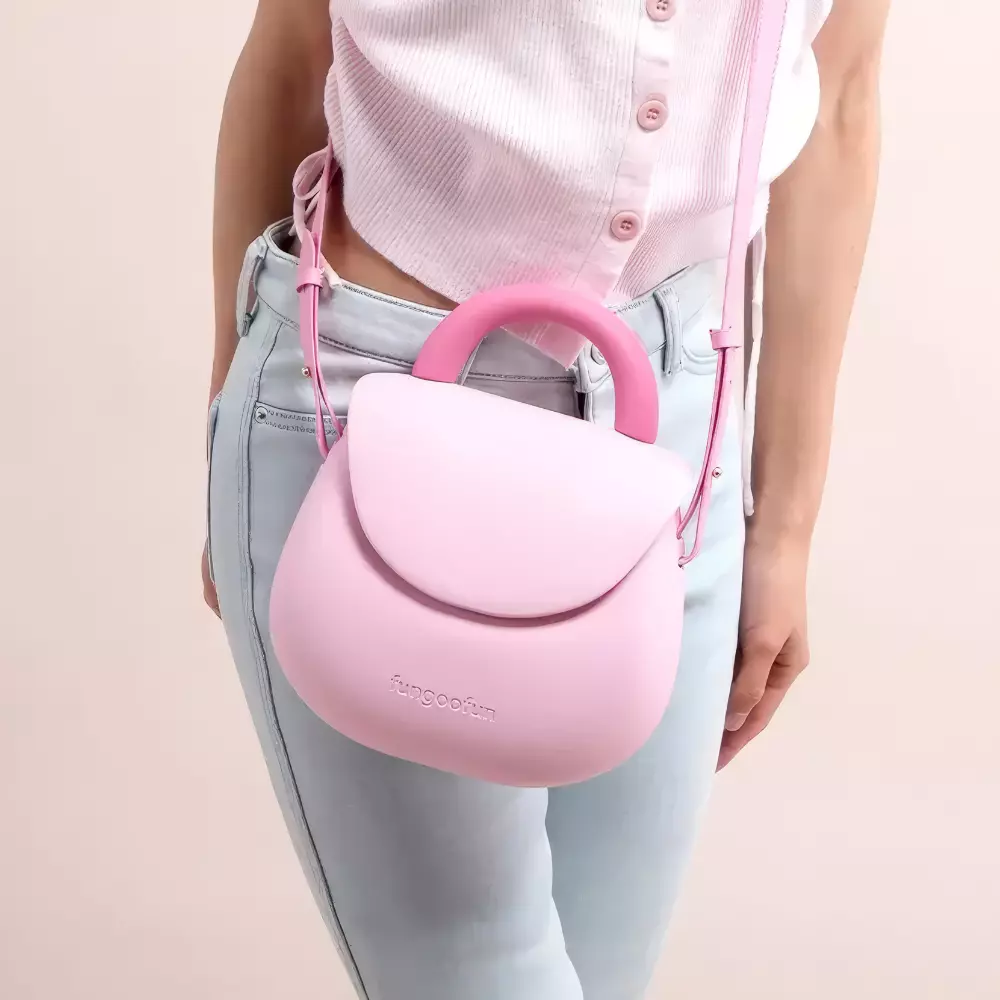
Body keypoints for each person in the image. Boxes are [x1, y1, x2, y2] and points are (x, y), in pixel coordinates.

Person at [202, 1, 890, 997]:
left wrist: (782, 526)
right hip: (370, 412)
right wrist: (233, 414)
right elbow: (292, 48)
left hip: (674, 439)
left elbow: (842, 99)